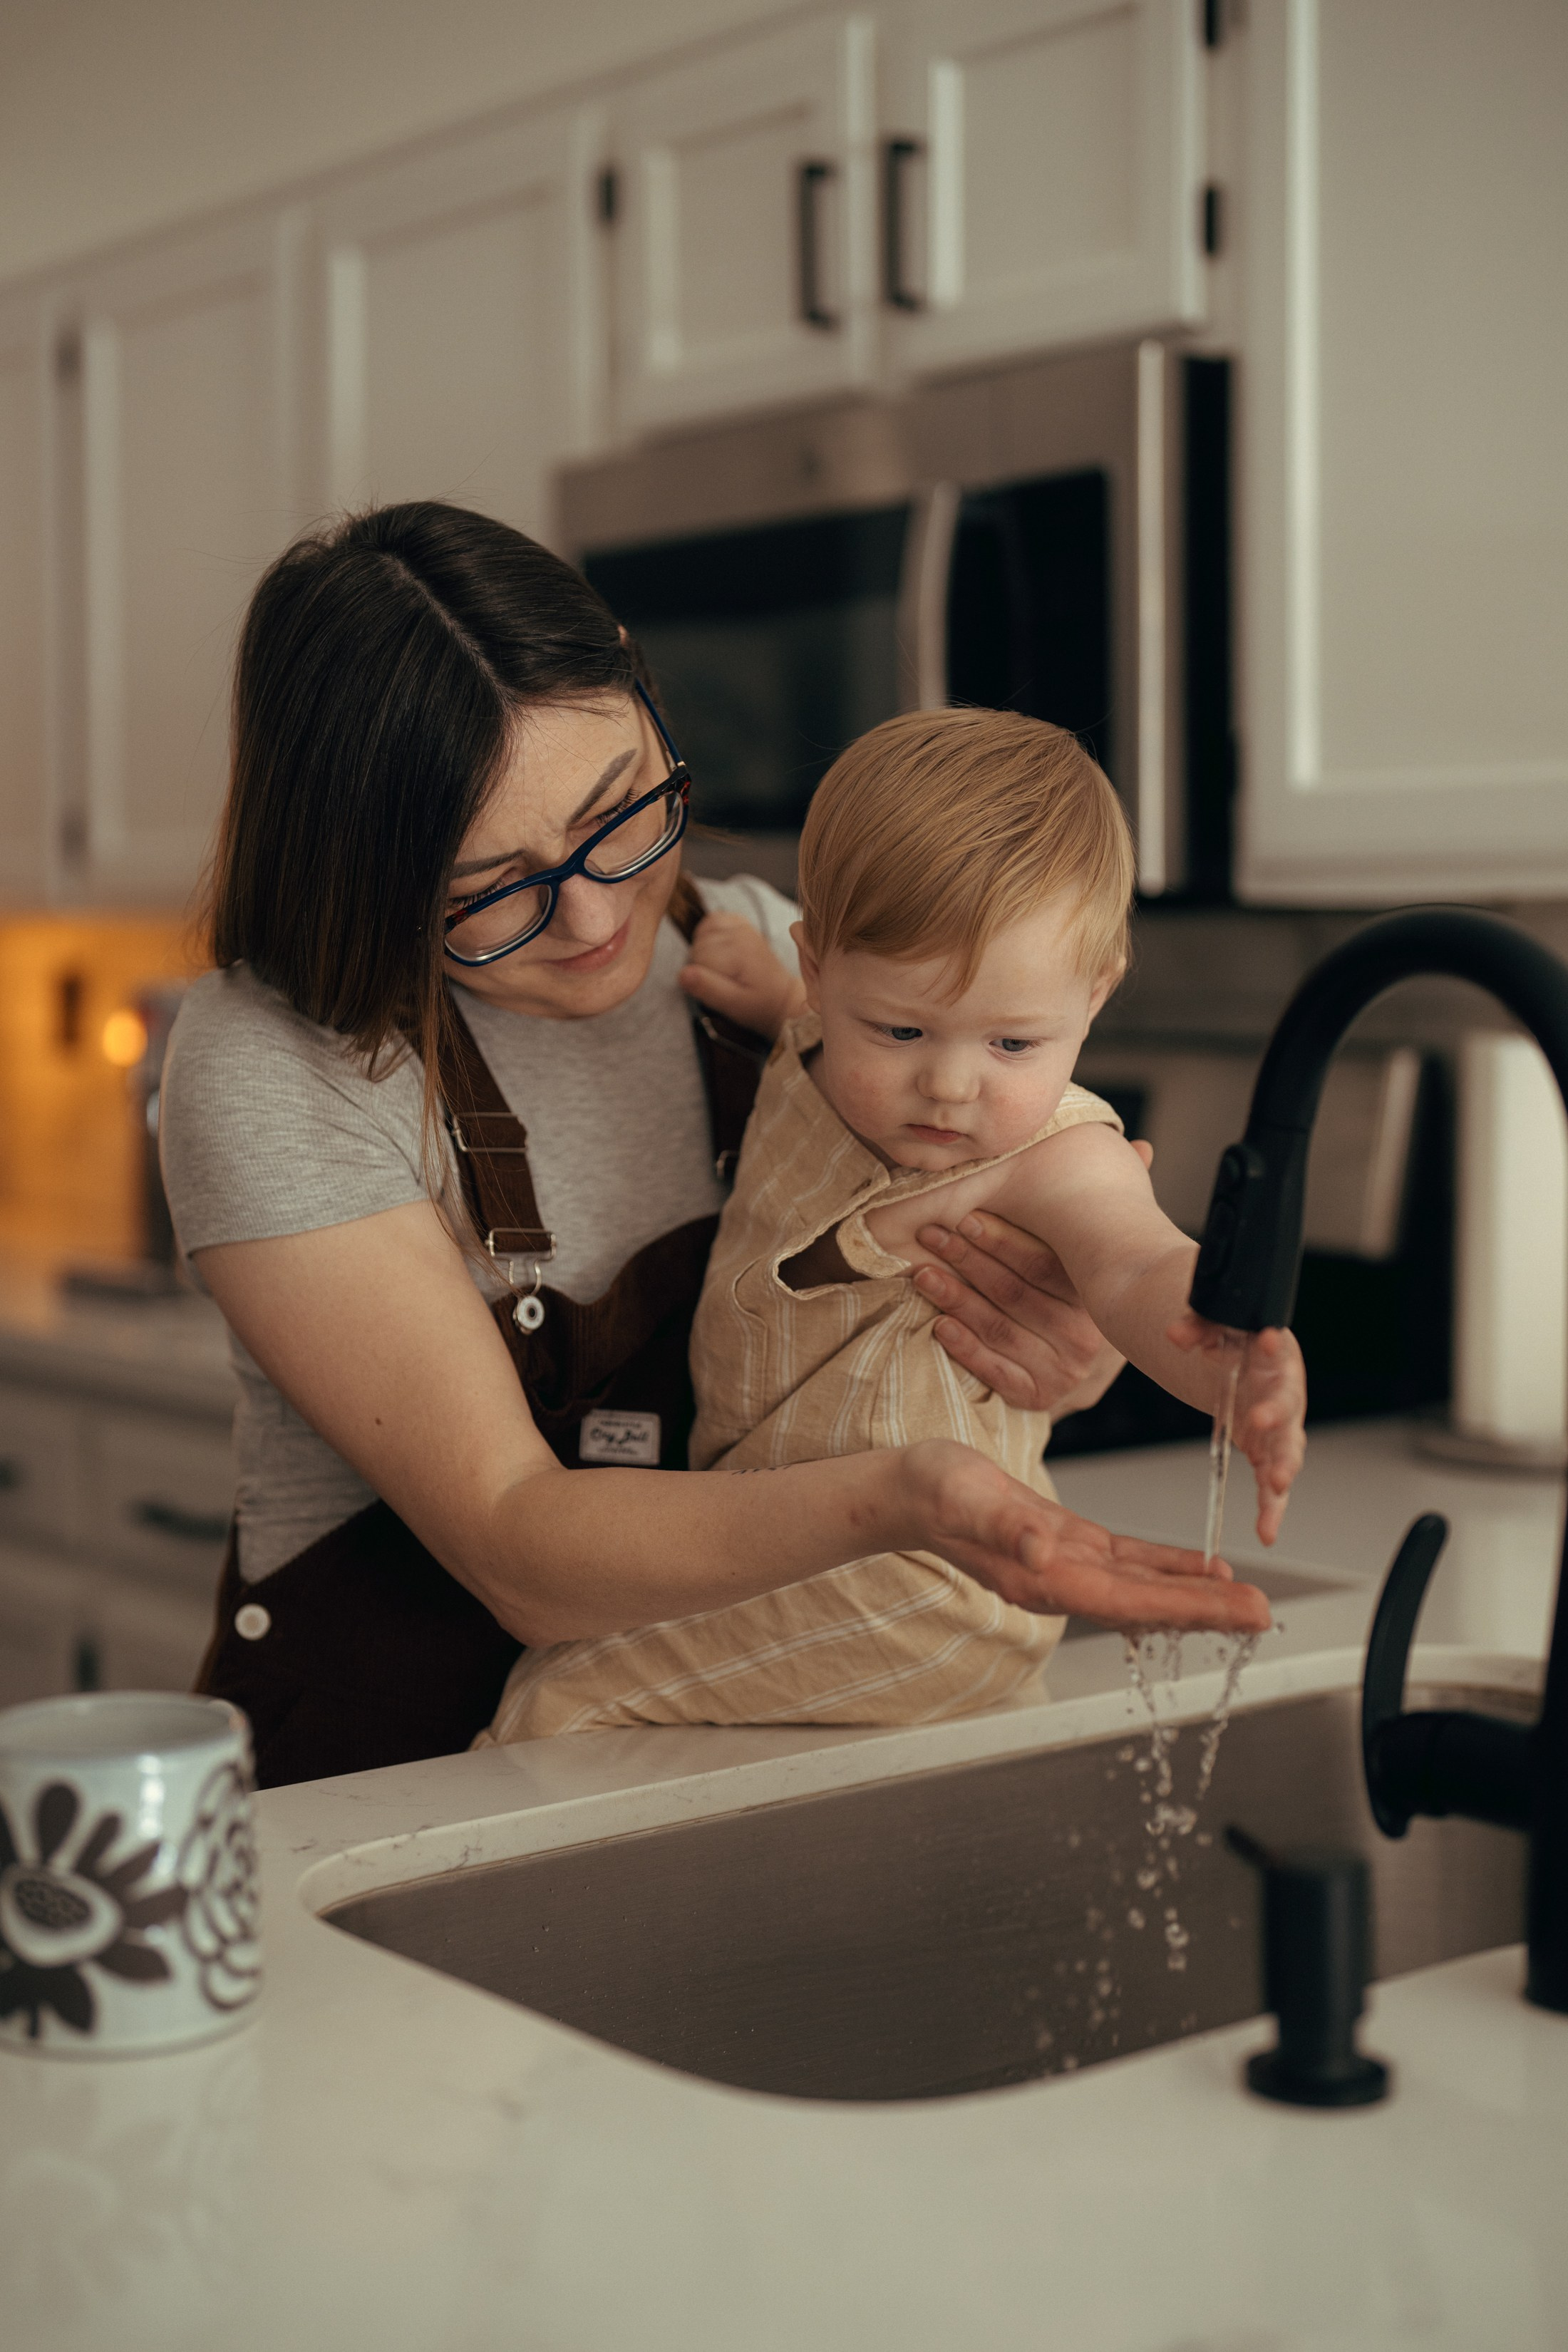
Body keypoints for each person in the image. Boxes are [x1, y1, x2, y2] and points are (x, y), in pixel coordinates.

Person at [160, 502, 1270, 1790]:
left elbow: (949, 1297)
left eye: (620, 808)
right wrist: (915, 1499)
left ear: (637, 682)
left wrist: (1051, 1356)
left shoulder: (774, 963)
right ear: (360, 867)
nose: (593, 916)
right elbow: (517, 1545)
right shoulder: (280, 1061)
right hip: (389, 1798)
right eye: (489, 889)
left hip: (715, 1761)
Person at [490, 711, 1291, 1740]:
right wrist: (774, 997)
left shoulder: (1054, 1152)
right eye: (901, 1030)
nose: (950, 1085)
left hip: (924, 1584)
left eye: (1014, 1041)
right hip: (826, 1545)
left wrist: (1229, 1359)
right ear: (818, 971)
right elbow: (824, 1027)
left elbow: (1137, 1266)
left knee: (560, 1704)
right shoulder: (816, 1031)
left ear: (1096, 996)